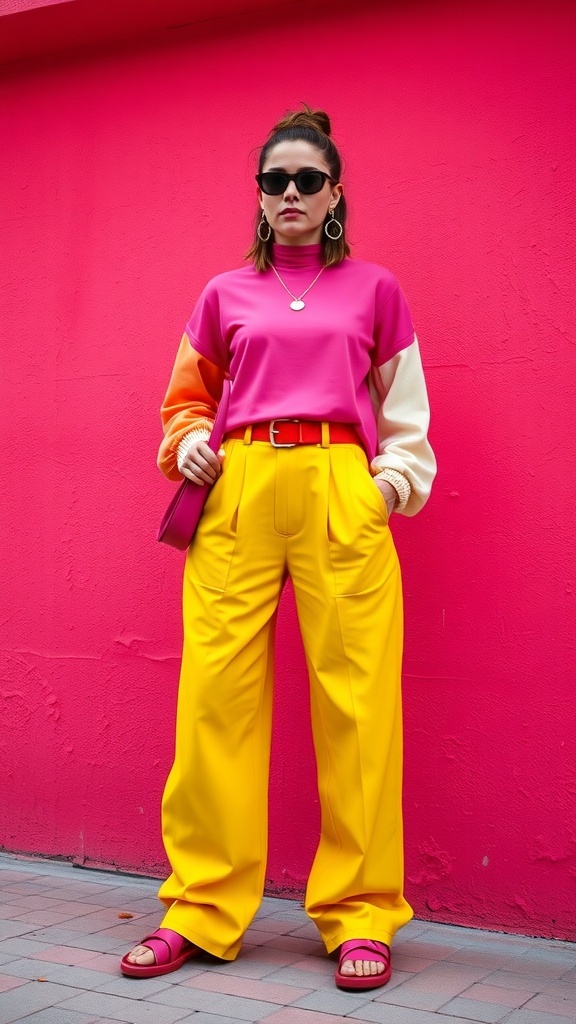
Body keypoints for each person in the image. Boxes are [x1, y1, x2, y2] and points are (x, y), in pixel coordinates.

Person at [121, 105, 436, 991]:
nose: (289, 193)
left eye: (306, 179)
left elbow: (405, 414)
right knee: (214, 698)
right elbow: (185, 401)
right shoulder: (224, 294)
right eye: (274, 181)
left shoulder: (376, 289)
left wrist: (385, 488)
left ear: (334, 194)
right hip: (241, 490)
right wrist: (185, 441)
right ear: (259, 199)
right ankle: (202, 907)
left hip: (341, 484)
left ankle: (362, 912)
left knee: (359, 703)